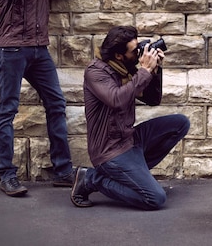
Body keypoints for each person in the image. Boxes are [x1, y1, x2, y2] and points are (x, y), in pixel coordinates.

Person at [0, 0, 75, 196]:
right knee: (7, 110)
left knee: (56, 104)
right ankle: (7, 175)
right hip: (12, 48)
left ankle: (63, 171)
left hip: (39, 49)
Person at [70, 25, 190, 210]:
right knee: (156, 199)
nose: (139, 53)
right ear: (119, 55)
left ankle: (133, 174)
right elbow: (116, 99)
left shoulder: (127, 68)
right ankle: (91, 179)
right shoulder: (96, 72)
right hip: (110, 150)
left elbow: (153, 100)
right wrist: (143, 71)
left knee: (180, 123)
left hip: (130, 139)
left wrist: (155, 69)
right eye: (135, 51)